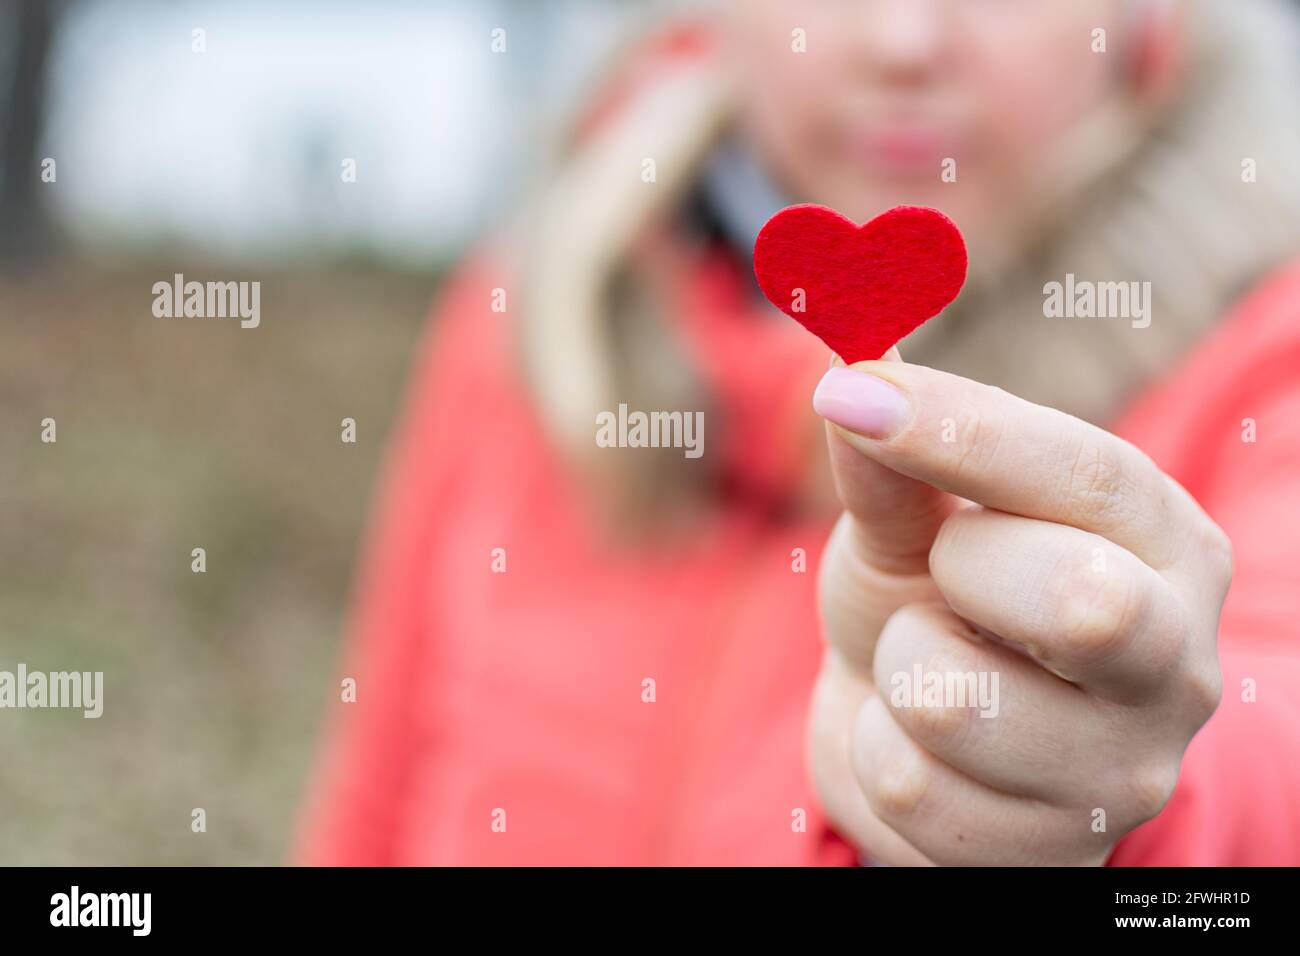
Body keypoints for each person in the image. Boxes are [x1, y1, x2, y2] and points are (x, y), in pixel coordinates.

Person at [294, 0, 1300, 865]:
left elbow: (1268, 743)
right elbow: (369, 797)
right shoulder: (535, 312)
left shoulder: (1266, 354)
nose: (902, 42)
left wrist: (1126, 808)